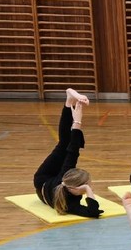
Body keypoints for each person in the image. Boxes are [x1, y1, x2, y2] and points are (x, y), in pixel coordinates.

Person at [33, 88, 103, 218]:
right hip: (54, 183)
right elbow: (93, 212)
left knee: (64, 145)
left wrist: (77, 122)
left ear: (73, 188)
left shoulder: (67, 198)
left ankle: (69, 102)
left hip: (42, 179)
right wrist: (87, 190)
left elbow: (73, 151)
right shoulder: (70, 202)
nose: (88, 185)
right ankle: (69, 101)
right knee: (66, 145)